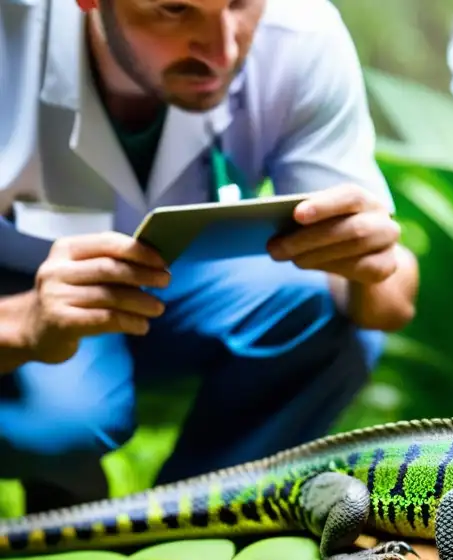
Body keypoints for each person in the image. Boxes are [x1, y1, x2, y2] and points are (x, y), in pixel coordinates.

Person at [0, 0, 420, 512]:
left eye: (241, 4)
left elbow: (389, 303)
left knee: (328, 308)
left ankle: (189, 523)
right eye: (175, 10)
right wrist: (22, 325)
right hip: (21, 301)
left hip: (175, 286)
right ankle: (61, 484)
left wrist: (370, 265)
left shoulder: (301, 34)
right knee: (64, 424)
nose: (223, 50)